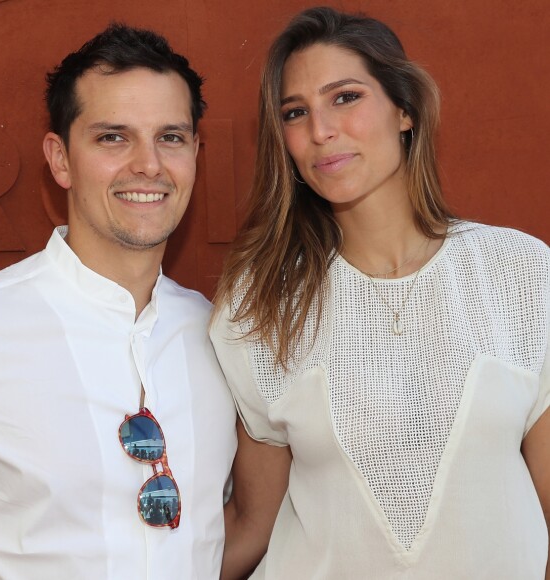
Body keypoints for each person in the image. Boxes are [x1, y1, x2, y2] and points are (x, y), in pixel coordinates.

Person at [211, 6, 550, 579]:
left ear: (405, 110)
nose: (321, 130)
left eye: (345, 97)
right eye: (296, 112)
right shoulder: (261, 302)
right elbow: (250, 523)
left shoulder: (520, 272)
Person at [0, 24, 236, 579]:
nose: (149, 165)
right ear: (60, 159)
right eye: (113, 137)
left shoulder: (220, 336)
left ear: (194, 155)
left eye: (171, 137)